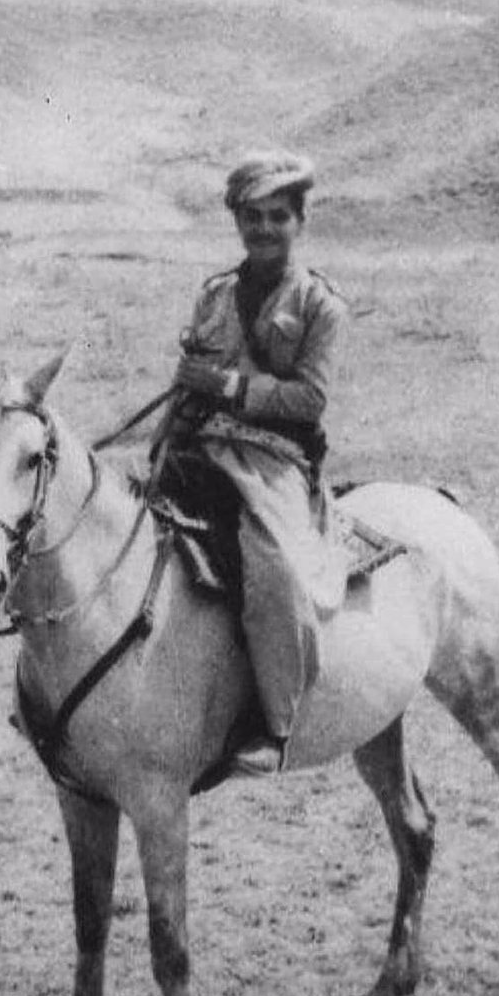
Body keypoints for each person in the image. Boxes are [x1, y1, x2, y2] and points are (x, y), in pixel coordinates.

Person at [157, 150, 348, 777]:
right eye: (252, 217)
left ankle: (276, 721)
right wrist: (170, 433)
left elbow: (310, 398)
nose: (263, 229)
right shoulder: (214, 294)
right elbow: (192, 383)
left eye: (277, 217)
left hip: (274, 456)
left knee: (274, 566)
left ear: (300, 222)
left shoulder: (321, 306)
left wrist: (229, 386)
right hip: (201, 442)